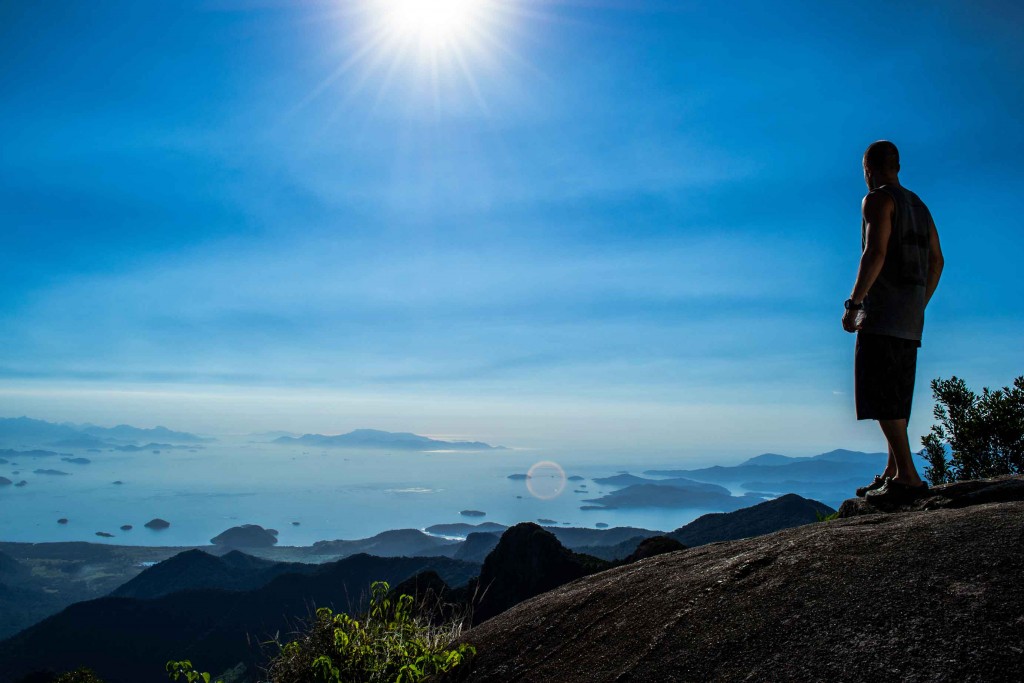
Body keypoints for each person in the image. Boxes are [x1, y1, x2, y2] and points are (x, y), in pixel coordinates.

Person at [842, 140, 944, 501]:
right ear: (897, 165)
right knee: (896, 396)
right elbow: (937, 261)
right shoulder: (920, 206)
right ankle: (892, 470)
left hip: (882, 314)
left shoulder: (878, 200)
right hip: (910, 318)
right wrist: (918, 302)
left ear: (868, 168)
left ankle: (908, 481)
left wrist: (855, 304)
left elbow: (875, 252)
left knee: (882, 396)